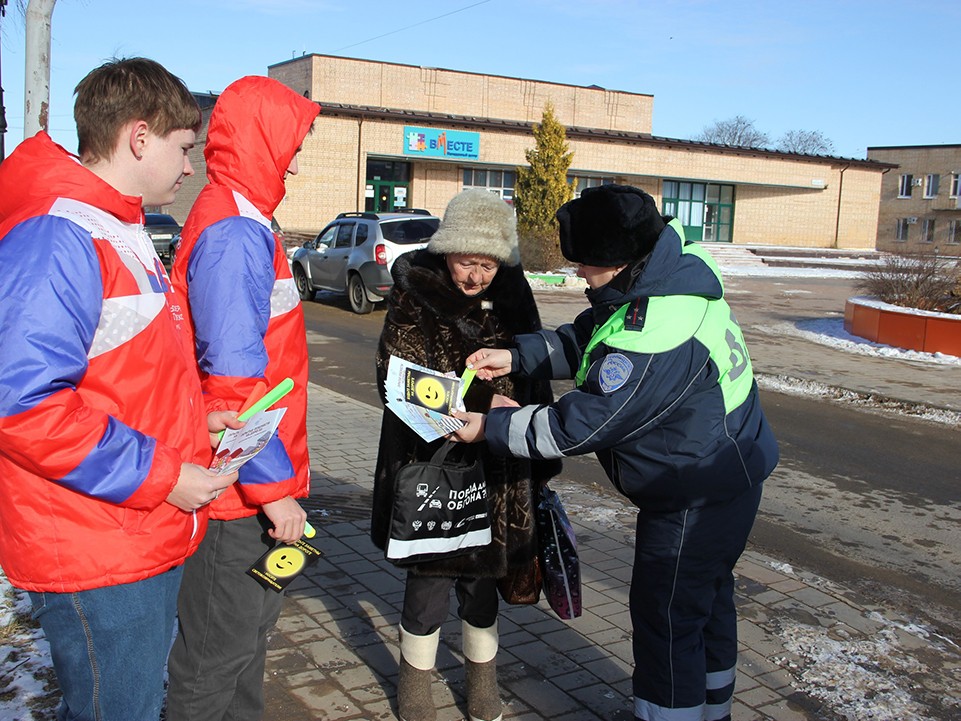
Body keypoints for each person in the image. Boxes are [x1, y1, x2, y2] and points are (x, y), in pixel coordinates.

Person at [454, 184, 779, 721]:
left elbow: (576, 427)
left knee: (667, 617)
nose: (579, 273)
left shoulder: (658, 330)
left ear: (620, 260)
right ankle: (712, 708)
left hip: (692, 495)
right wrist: (514, 356)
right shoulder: (665, 278)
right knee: (707, 602)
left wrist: (491, 425)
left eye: (586, 263)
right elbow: (588, 341)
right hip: (721, 474)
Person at [0, 57, 240, 721]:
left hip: (125, 531)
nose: (190, 167)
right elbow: (21, 405)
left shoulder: (115, 228)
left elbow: (124, 379)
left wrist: (200, 426)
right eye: (184, 148)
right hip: (97, 547)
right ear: (139, 138)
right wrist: (165, 475)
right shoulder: (62, 236)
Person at [372, 189, 560, 721]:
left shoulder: (514, 293)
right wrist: (478, 401)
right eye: (466, 261)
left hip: (497, 468)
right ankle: (415, 694)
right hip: (432, 465)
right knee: (429, 585)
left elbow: (535, 370)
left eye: (487, 264)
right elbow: (393, 376)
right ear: (447, 248)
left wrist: (532, 436)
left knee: (484, 586)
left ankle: (483, 686)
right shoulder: (415, 289)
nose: (476, 276)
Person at [165, 75, 320, 721]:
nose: (299, 152)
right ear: (266, 137)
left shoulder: (245, 216)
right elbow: (233, 387)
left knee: (243, 647)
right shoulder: (234, 230)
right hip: (238, 498)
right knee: (212, 661)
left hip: (251, 485)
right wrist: (273, 489)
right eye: (295, 139)